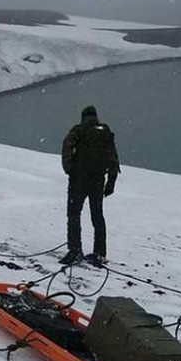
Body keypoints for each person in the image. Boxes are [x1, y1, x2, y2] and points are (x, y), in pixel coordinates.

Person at [59, 105, 120, 266]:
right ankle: (99, 253)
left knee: (74, 215)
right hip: (98, 181)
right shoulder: (104, 132)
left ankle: (75, 251)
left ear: (83, 117)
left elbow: (66, 146)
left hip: (78, 180)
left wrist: (69, 168)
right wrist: (111, 182)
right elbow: (113, 159)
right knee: (97, 216)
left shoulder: (79, 130)